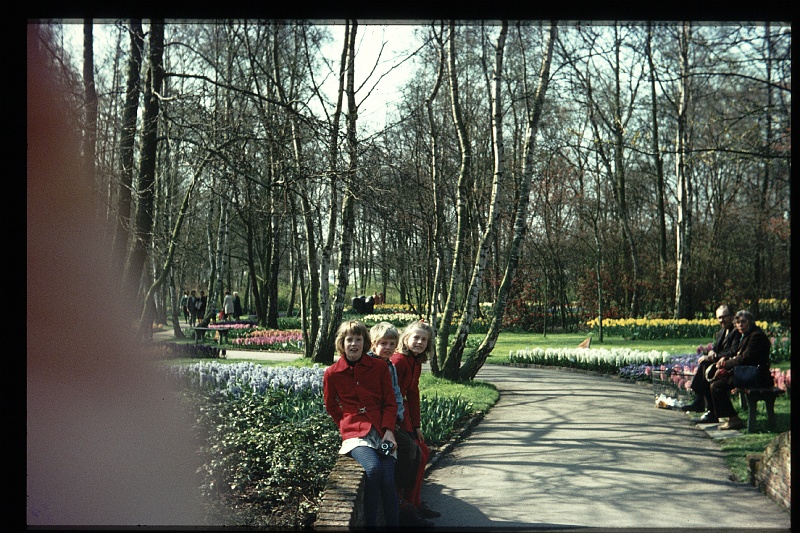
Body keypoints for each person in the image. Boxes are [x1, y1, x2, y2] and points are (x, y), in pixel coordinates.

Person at [323, 320, 400, 528]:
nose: (354, 344)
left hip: (381, 430)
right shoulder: (332, 373)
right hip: (355, 435)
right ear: (342, 342)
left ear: (365, 343)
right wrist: (346, 424)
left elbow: (390, 403)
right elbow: (331, 406)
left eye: (358, 339)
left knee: (387, 480)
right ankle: (371, 525)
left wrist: (389, 431)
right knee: (373, 469)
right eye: (349, 340)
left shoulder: (378, 367)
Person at [391, 320, 440, 525]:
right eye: (416, 338)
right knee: (416, 454)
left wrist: (416, 426)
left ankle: (416, 502)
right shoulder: (399, 361)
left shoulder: (415, 362)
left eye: (424, 340)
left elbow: (413, 394)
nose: (419, 342)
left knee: (424, 452)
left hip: (406, 417)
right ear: (406, 338)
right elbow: (394, 395)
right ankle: (407, 505)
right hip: (394, 416)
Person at [368, 323, 422, 496]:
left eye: (392, 344)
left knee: (415, 451)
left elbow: (396, 395)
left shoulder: (389, 365)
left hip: (390, 422)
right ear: (373, 343)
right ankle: (400, 497)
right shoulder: (370, 365)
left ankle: (406, 497)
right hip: (374, 425)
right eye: (383, 343)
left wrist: (397, 419)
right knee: (403, 450)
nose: (388, 348)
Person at [709, 310, 773, 430]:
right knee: (715, 382)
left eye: (743, 322)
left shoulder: (756, 336)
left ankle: (734, 419)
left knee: (717, 386)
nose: (740, 325)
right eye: (737, 322)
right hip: (747, 373)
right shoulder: (746, 335)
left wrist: (725, 364)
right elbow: (740, 358)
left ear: (750, 322)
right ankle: (729, 417)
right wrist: (726, 366)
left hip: (758, 377)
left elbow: (744, 359)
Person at [683, 304, 741, 423]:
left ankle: (705, 406)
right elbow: (717, 348)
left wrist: (713, 357)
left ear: (732, 316)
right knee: (705, 366)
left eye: (724, 317)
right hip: (720, 364)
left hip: (730, 366)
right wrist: (712, 352)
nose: (722, 320)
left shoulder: (736, 332)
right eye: (719, 318)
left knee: (707, 368)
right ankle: (704, 405)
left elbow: (733, 351)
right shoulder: (722, 332)